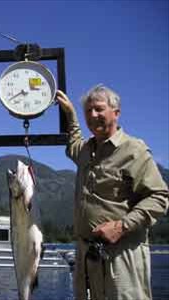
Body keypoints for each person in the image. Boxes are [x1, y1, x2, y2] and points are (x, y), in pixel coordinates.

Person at [56, 85, 168, 300]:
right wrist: (70, 114)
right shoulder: (85, 150)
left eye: (99, 109)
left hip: (122, 256)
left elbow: (159, 197)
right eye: (88, 111)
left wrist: (121, 226)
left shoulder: (134, 149)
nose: (92, 115)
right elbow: (73, 142)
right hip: (87, 258)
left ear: (116, 113)